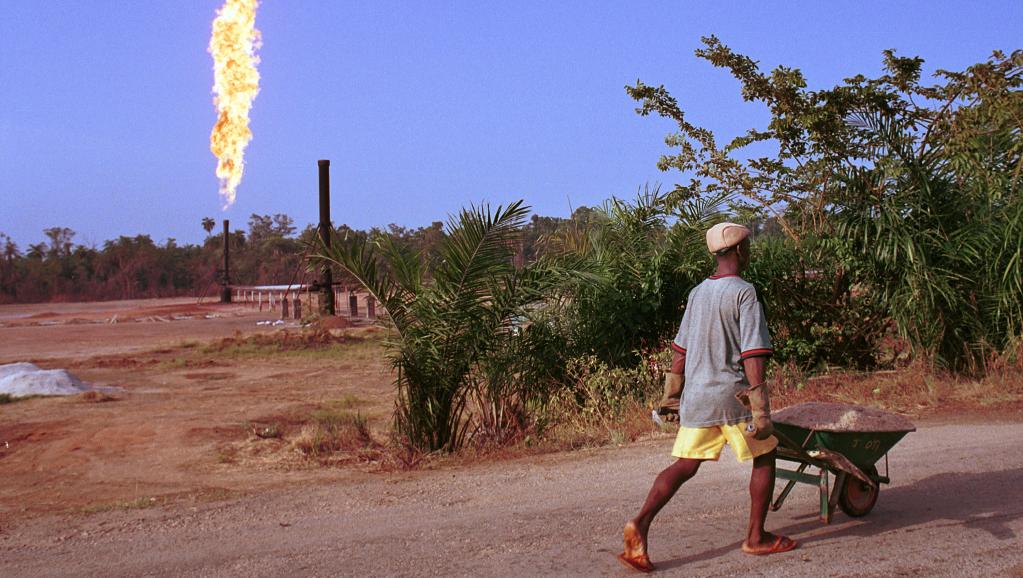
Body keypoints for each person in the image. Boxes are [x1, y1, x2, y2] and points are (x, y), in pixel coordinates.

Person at [618, 222, 797, 573]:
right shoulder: (744, 292)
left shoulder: (698, 292)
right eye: (748, 246)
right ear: (739, 251)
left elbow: (680, 351)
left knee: (685, 465)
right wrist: (759, 407)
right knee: (767, 453)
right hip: (732, 397)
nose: (750, 252)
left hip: (697, 398)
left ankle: (639, 522)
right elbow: (753, 353)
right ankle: (756, 537)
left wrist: (672, 395)